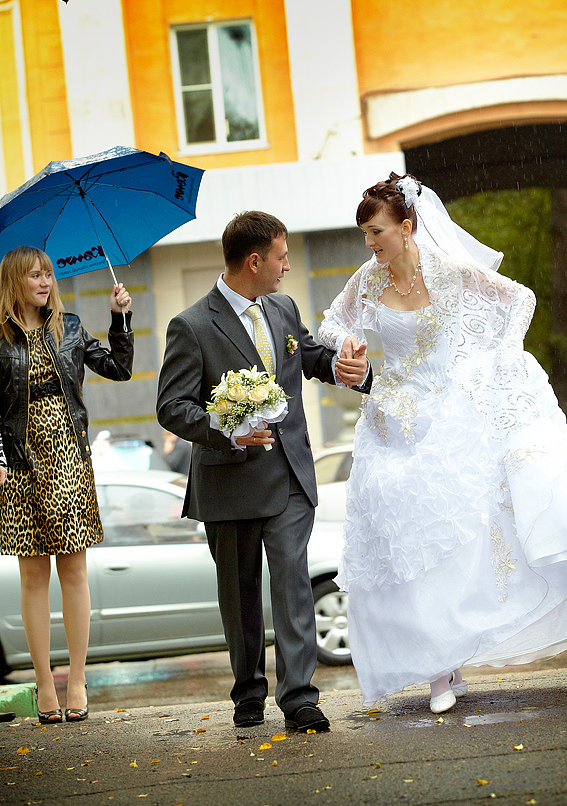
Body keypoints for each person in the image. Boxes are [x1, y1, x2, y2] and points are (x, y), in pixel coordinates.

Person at [319, 173, 567, 714]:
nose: (370, 243)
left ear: (407, 227)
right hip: (390, 422)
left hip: (447, 419)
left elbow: (521, 299)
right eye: (365, 234)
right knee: (401, 545)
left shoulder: (450, 272)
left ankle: (448, 660)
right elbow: (331, 323)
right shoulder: (367, 280)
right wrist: (348, 344)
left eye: (377, 232)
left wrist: (498, 358)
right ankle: (437, 666)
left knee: (450, 543)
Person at [156, 211, 370, 732]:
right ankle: (248, 691)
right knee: (240, 596)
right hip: (228, 483)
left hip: (290, 475)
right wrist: (227, 427)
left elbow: (309, 357)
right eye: (281, 257)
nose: (287, 266)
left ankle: (299, 698)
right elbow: (171, 407)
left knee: (293, 582)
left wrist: (346, 368)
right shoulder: (191, 326)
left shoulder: (283, 307)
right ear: (254, 261)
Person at [0, 246, 133, 724]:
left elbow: (119, 369)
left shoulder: (70, 327)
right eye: (35, 275)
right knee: (33, 577)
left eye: (49, 275)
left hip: (68, 459)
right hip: (20, 463)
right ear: (14, 281)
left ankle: (77, 679)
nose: (45, 282)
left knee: (73, 572)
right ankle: (43, 683)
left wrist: (120, 318)